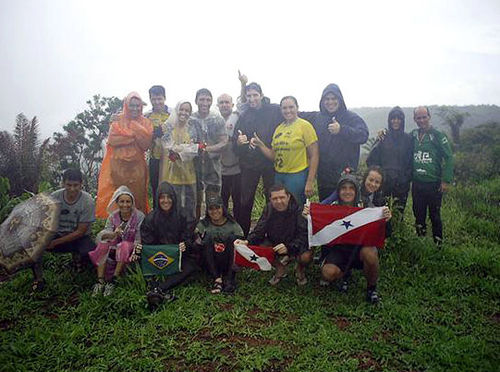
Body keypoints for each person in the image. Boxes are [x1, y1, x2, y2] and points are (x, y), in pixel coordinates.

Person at [304, 173, 391, 304]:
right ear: (338, 191)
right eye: (343, 188)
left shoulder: (366, 206)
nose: (347, 192)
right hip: (338, 250)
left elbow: (385, 233)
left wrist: (386, 220)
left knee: (371, 253)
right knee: (327, 273)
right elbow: (316, 224)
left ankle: (371, 289)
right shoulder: (331, 207)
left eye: (351, 188)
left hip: (359, 249)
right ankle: (344, 275)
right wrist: (308, 217)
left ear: (356, 191)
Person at [134, 181, 197, 310]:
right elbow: (147, 245)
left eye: (169, 197)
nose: (166, 201)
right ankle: (158, 287)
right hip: (158, 258)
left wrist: (185, 245)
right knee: (136, 263)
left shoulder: (183, 215)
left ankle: (158, 288)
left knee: (192, 266)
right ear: (157, 199)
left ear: (174, 198)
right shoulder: (150, 218)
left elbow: (190, 239)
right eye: (162, 197)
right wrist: (141, 250)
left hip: (178, 258)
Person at [299, 84, 369, 201]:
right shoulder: (317, 117)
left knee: (346, 214)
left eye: (333, 98)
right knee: (327, 213)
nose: (330, 102)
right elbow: (293, 113)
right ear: (322, 101)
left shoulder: (351, 117)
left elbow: (363, 135)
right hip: (324, 178)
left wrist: (342, 129)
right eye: (327, 99)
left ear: (340, 100)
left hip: (346, 177)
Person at [31, 169, 95, 292]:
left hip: (78, 236)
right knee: (34, 245)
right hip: (57, 233)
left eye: (75, 185)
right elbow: (44, 218)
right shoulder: (55, 197)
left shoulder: (87, 201)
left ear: (81, 184)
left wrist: (54, 243)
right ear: (63, 184)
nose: (72, 189)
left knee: (89, 253)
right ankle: (38, 279)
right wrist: (45, 238)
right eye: (68, 185)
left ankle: (78, 263)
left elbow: (81, 231)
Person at [236, 184, 312, 286]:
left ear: (288, 197)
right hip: (275, 241)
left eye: (282, 197)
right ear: (270, 200)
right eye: (275, 198)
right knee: (259, 247)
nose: (279, 201)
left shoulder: (299, 209)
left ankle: (300, 268)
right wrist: (247, 241)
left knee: (306, 256)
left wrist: (289, 247)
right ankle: (280, 267)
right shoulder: (268, 209)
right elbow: (259, 230)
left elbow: (304, 235)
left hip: (295, 242)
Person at [234, 82, 283, 236]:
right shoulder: (244, 115)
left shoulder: (274, 110)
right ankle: (243, 234)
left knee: (272, 199)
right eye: (249, 96)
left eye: (255, 95)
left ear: (261, 95)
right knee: (245, 201)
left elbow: (293, 115)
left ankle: (271, 233)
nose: (252, 99)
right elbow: (236, 144)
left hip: (270, 162)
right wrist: (239, 142)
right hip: (249, 164)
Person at [251, 96, 318, 205]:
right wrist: (261, 145)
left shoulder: (305, 126)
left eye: (291, 107)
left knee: (297, 207)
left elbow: (314, 155)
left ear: (297, 108)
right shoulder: (279, 128)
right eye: (284, 108)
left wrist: (310, 181)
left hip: (297, 175)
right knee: (281, 207)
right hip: (279, 175)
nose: (288, 111)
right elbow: (273, 156)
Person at [96, 92, 153, 218]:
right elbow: (113, 140)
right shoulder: (117, 119)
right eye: (132, 105)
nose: (135, 108)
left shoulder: (146, 122)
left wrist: (127, 134)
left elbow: (145, 144)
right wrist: (135, 135)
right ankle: (117, 227)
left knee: (138, 197)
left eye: (138, 106)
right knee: (119, 197)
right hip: (118, 166)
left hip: (137, 167)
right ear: (126, 105)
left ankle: (140, 227)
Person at [89, 186, 145, 296]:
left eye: (128, 201)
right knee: (103, 244)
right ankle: (100, 281)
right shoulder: (113, 216)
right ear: (117, 202)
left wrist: (136, 251)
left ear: (132, 202)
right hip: (115, 246)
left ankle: (113, 280)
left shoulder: (139, 216)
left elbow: (139, 238)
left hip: (130, 246)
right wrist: (114, 233)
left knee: (123, 246)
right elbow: (104, 235)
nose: (125, 205)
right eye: (122, 201)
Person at [411, 106, 453, 245]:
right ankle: (421, 242)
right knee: (419, 215)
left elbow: (448, 157)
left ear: (429, 117)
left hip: (433, 183)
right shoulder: (413, 135)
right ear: (414, 119)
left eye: (424, 117)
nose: (422, 120)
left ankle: (438, 244)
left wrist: (446, 180)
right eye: (419, 117)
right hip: (417, 183)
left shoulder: (438, 135)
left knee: (434, 215)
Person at [367, 106, 413, 214]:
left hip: (401, 184)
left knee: (398, 214)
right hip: (383, 184)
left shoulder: (408, 139)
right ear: (389, 120)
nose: (396, 121)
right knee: (380, 214)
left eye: (399, 118)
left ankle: (397, 230)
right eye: (393, 118)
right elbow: (371, 159)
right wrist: (378, 177)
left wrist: (406, 178)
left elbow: (411, 161)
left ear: (403, 120)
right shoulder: (383, 137)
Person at [159, 100, 199, 225]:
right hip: (172, 174)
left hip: (189, 174)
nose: (184, 113)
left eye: (187, 110)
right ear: (176, 110)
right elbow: (168, 146)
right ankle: (173, 232)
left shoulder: (192, 128)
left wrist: (180, 150)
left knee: (190, 204)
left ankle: (189, 231)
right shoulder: (168, 127)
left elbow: (195, 148)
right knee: (173, 204)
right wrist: (183, 150)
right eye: (181, 109)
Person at [195, 195, 244, 294]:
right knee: (206, 238)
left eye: (217, 207)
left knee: (233, 240)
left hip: (227, 259)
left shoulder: (233, 225)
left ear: (223, 208)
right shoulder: (202, 224)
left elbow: (241, 246)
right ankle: (217, 279)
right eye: (211, 209)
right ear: (207, 211)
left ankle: (230, 278)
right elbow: (196, 244)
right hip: (209, 260)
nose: (214, 211)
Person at [190, 88, 228, 213]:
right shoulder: (191, 119)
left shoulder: (217, 119)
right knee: (196, 200)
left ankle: (211, 228)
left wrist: (208, 149)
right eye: (201, 99)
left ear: (211, 101)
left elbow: (224, 141)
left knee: (213, 200)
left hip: (213, 166)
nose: (204, 103)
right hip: (194, 165)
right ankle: (195, 228)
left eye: (207, 99)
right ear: (196, 101)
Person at [217, 93, 242, 221]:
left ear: (232, 105)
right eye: (221, 103)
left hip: (237, 168)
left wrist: (243, 84)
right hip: (221, 170)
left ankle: (239, 232)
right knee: (222, 203)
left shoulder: (237, 116)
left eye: (227, 102)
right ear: (217, 105)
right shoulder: (214, 120)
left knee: (238, 203)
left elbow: (243, 101)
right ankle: (223, 231)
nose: (224, 105)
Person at [144, 85, 171, 207]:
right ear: (150, 99)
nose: (157, 102)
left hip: (171, 159)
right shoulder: (146, 116)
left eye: (159, 99)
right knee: (156, 189)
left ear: (164, 98)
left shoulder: (173, 113)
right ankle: (156, 215)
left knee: (170, 188)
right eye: (154, 99)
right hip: (154, 158)